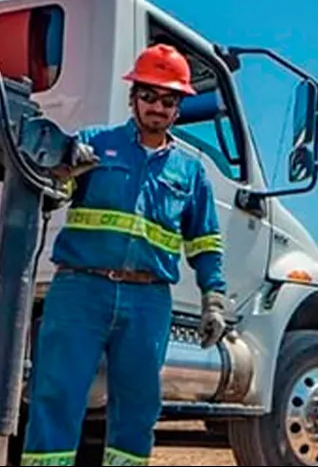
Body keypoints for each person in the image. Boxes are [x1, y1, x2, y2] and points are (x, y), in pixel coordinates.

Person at [20, 43, 228, 466]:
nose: (157, 106)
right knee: (57, 395)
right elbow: (49, 191)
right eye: (148, 95)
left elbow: (205, 242)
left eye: (168, 99)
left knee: (137, 408)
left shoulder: (191, 173)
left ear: (178, 107)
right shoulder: (92, 146)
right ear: (133, 98)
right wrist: (61, 170)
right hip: (80, 290)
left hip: (147, 301)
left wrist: (214, 300)